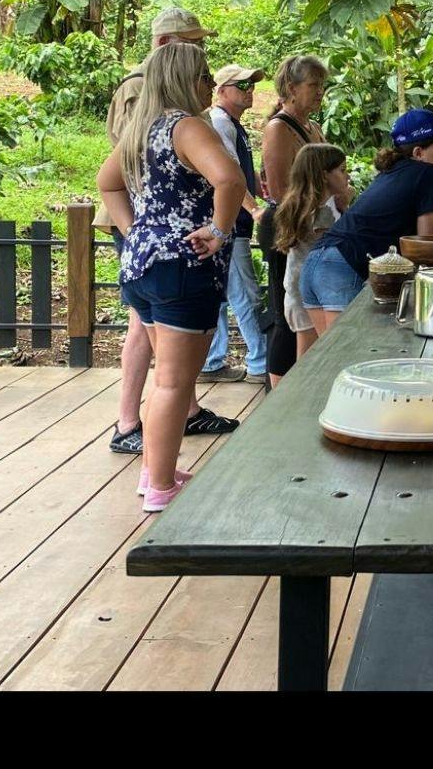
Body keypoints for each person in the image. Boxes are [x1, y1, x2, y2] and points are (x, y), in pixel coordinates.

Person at [96, 40, 246, 512]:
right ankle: (160, 485)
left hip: (143, 265)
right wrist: (220, 231)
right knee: (173, 384)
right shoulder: (187, 127)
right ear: (186, 80)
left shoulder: (141, 129)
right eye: (204, 76)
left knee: (167, 378)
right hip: (183, 268)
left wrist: (137, 230)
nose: (209, 84)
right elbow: (231, 179)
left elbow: (108, 182)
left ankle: (154, 471)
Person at [299, 109, 433, 324]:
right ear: (418, 153)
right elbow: (427, 247)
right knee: (347, 356)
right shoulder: (426, 172)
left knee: (324, 356)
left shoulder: (391, 172)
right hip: (341, 267)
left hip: (315, 263)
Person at [259, 55, 353, 387]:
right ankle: (279, 388)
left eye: (322, 86)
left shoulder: (313, 127)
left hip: (316, 220)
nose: (320, 92)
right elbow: (284, 190)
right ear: (290, 88)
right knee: (289, 308)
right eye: (313, 85)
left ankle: (302, 381)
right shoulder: (278, 128)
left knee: (308, 308)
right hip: (292, 222)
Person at [199, 64, 269, 385]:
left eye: (251, 85)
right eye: (242, 85)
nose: (249, 90)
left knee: (223, 293)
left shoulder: (232, 125)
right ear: (221, 90)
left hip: (225, 223)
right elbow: (227, 175)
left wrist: (259, 186)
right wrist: (254, 210)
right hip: (230, 225)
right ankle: (261, 362)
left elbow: (241, 169)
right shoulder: (220, 124)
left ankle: (213, 360)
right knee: (246, 293)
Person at [274, 143, 349, 352]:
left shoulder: (325, 205)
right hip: (307, 294)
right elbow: (334, 246)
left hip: (309, 290)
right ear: (324, 175)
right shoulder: (318, 213)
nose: (347, 176)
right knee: (309, 357)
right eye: (342, 171)